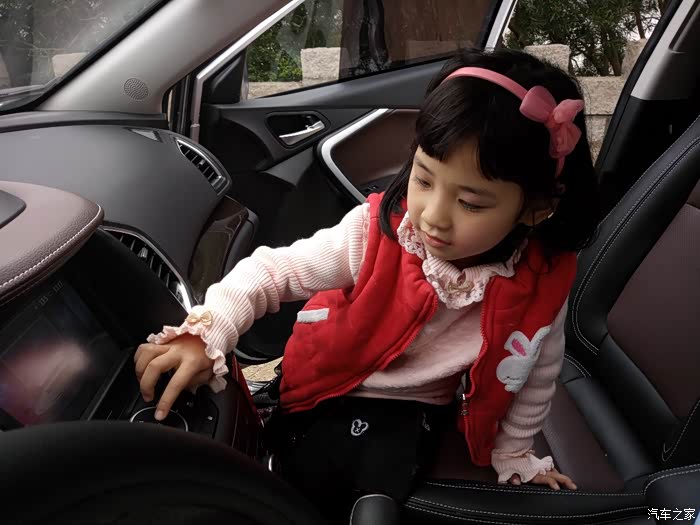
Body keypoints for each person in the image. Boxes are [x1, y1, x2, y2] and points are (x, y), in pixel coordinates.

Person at [134, 47, 600, 521]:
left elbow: (536, 372)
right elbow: (273, 272)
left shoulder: (542, 284)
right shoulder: (375, 235)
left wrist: (516, 453)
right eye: (423, 179)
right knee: (298, 469)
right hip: (325, 382)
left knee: (368, 479)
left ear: (536, 208)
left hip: (416, 409)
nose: (433, 216)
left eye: (471, 204)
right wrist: (207, 332)